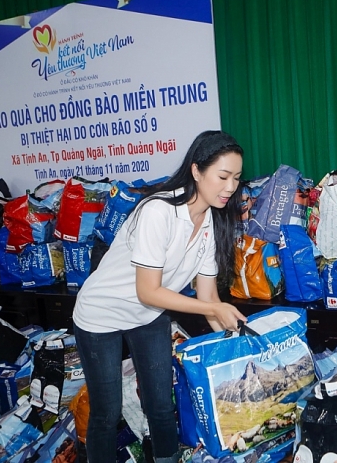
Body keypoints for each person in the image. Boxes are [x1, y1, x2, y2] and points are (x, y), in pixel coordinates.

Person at [72, 130, 248, 463]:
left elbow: (207, 295)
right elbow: (148, 290)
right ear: (197, 171)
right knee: (106, 412)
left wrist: (237, 347)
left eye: (236, 179)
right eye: (223, 176)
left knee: (161, 405)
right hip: (100, 316)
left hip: (149, 314)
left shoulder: (209, 221)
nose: (230, 187)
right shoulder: (159, 211)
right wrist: (214, 307)